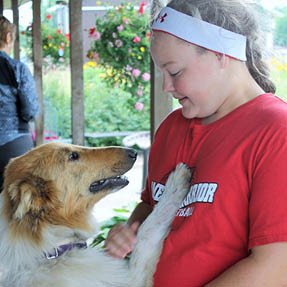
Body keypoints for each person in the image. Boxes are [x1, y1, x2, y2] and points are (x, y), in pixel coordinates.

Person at [105, 0, 287, 286]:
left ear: (220, 54)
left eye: (175, 72)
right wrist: (128, 232)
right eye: (161, 73)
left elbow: (276, 266)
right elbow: (152, 205)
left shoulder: (275, 130)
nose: (166, 86)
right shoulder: (171, 129)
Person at [0, 15, 39, 191]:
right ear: (8, 37)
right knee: (19, 205)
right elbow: (30, 110)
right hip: (12, 144)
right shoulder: (16, 68)